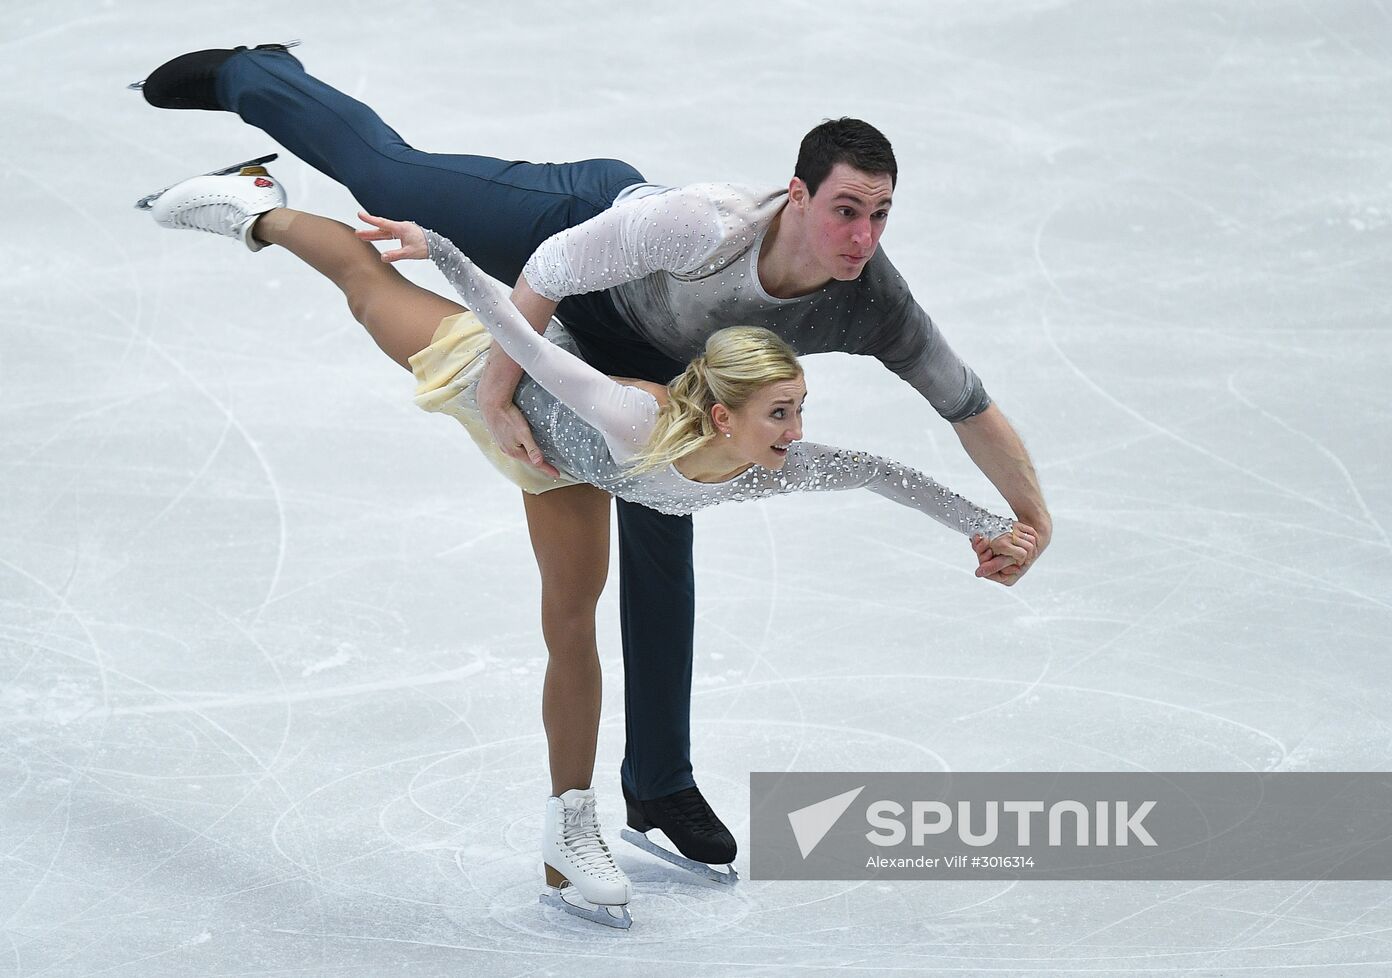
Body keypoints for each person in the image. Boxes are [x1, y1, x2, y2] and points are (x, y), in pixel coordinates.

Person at [134, 42, 1052, 879]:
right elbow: (553, 270)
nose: (863, 236)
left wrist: (1022, 519)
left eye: (880, 216)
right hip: (576, 252)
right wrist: (495, 388)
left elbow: (959, 409)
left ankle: (656, 785)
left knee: (668, 534)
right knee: (388, 178)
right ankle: (251, 78)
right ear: (798, 196)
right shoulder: (702, 226)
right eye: (846, 210)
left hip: (664, 385)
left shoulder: (867, 309)